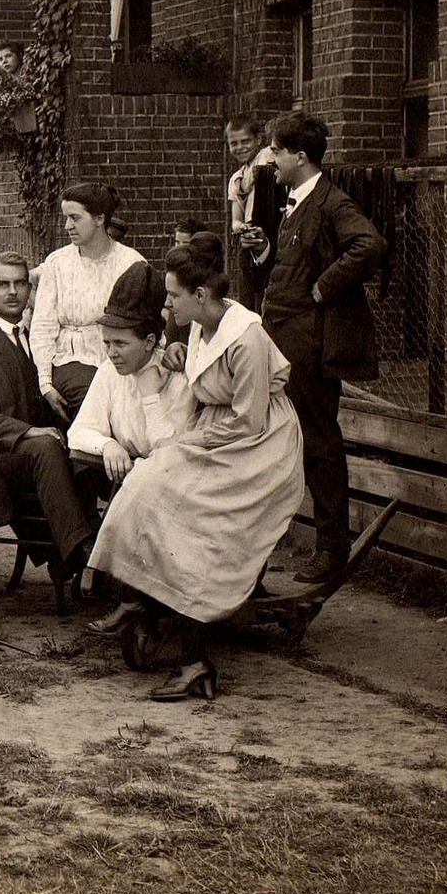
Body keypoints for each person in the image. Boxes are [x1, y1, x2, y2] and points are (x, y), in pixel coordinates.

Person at [85, 234, 305, 700]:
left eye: (172, 296)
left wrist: (187, 442)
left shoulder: (247, 338)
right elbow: (205, 378)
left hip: (261, 449)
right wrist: (179, 358)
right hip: (222, 437)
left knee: (187, 518)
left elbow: (249, 419)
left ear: (199, 296)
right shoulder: (200, 328)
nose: (166, 307)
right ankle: (135, 595)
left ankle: (189, 653)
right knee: (147, 482)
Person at [240, 112, 387, 584]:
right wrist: (265, 250)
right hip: (286, 340)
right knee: (292, 440)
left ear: (299, 157)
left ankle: (331, 550)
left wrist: (326, 287)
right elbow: (293, 266)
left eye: (277, 152)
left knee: (320, 443)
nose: (270, 160)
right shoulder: (293, 201)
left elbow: (369, 245)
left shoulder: (331, 201)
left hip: (312, 347)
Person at [0, 252, 94, 590]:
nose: (12, 292)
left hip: (27, 458)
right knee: (45, 445)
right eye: (2, 285)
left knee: (83, 447)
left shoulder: (39, 340)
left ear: (30, 289)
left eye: (20, 283)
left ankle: (84, 549)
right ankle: (79, 548)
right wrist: (30, 432)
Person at [66, 262, 196, 484]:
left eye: (120, 344)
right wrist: (108, 445)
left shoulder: (177, 376)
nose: (111, 353)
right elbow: (78, 432)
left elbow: (169, 454)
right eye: (107, 343)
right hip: (128, 480)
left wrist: (150, 397)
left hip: (170, 482)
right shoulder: (111, 371)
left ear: (149, 341)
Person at [29, 183, 146, 422]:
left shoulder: (131, 262)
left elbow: (147, 321)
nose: (67, 226)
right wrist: (45, 383)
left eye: (75, 218)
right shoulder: (57, 263)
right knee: (95, 404)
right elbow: (42, 327)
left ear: (99, 219)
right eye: (66, 218)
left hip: (122, 363)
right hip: (72, 362)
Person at [223, 116, 285, 308]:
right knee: (249, 294)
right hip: (250, 240)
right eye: (234, 143)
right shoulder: (235, 180)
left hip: (272, 232)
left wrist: (251, 178)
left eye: (245, 141)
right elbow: (235, 219)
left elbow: (270, 161)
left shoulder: (267, 155)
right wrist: (240, 227)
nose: (240, 147)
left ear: (258, 140)